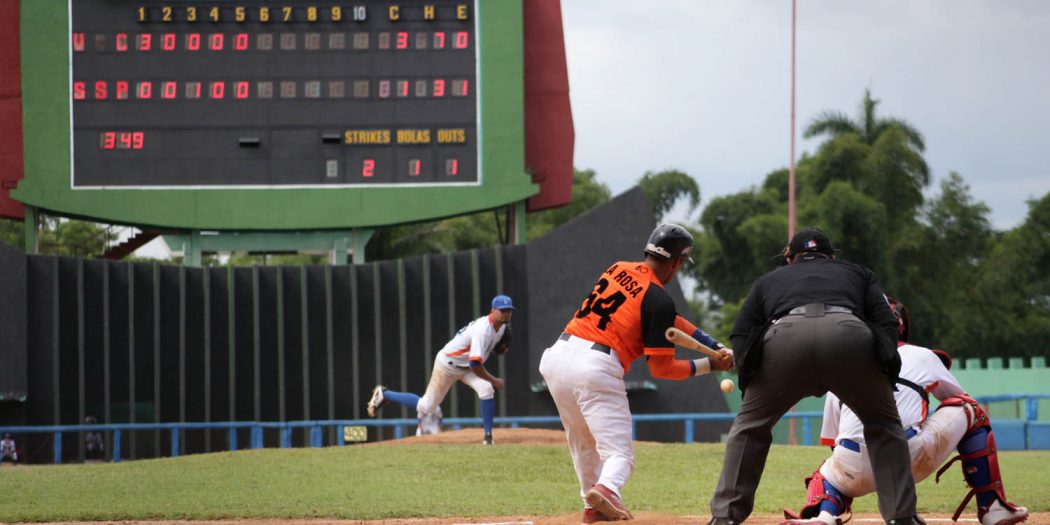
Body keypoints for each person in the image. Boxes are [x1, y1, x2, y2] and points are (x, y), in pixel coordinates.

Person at [709, 227, 921, 525]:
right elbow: (886, 321)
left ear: (789, 258)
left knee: (749, 429)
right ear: (831, 257)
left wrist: (750, 381)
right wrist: (885, 373)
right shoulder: (858, 273)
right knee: (884, 426)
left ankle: (725, 518)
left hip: (785, 342)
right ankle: (902, 517)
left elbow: (742, 331)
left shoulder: (768, 280)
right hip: (849, 339)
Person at [539, 223, 734, 524]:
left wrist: (713, 345)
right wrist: (711, 364)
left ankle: (593, 505)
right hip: (595, 366)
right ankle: (606, 488)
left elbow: (671, 319)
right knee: (619, 456)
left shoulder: (618, 268)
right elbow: (662, 369)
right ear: (677, 261)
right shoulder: (659, 300)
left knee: (582, 443)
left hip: (557, 356)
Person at [782, 297, 1029, 525]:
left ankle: (825, 514)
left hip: (852, 465)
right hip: (908, 457)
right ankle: (992, 508)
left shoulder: (841, 362)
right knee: (971, 410)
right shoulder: (922, 355)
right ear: (901, 326)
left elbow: (833, 442)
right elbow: (959, 400)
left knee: (826, 473)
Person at [367, 294, 514, 445]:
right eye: (502, 310)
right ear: (492, 310)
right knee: (426, 407)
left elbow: (481, 357)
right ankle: (385, 394)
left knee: (486, 389)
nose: (506, 313)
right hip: (448, 365)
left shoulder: (502, 328)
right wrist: (494, 380)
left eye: (509, 310)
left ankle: (488, 437)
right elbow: (475, 365)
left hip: (466, 366)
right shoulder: (482, 330)